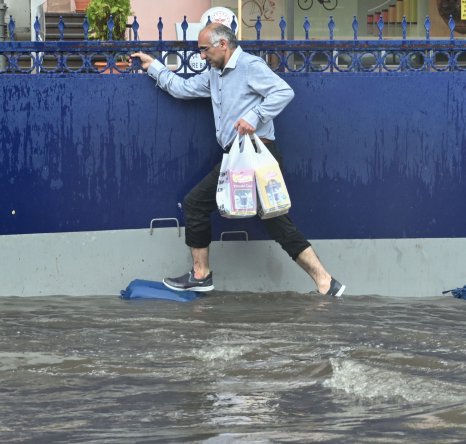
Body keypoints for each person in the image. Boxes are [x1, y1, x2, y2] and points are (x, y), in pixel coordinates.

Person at [130, 23, 345, 297]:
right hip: (239, 159)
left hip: (255, 156)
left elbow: (283, 92)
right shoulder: (214, 75)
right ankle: (327, 283)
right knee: (276, 223)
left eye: (205, 50)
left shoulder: (249, 66)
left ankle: (201, 275)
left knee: (198, 204)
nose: (202, 56)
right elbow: (182, 88)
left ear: (223, 44)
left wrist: (254, 117)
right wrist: (153, 66)